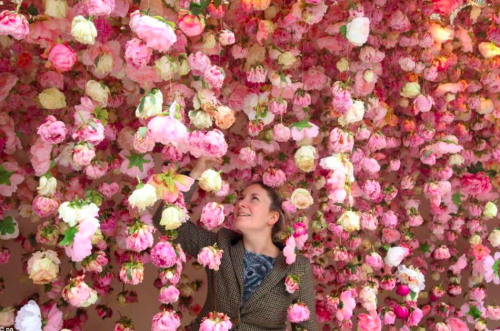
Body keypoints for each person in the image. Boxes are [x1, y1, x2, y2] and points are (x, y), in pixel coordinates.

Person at [152, 157, 317, 331]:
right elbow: (164, 219)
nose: (241, 203)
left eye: (254, 199)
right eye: (240, 198)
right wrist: (194, 174)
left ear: (272, 217)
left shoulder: (297, 267)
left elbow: (306, 327)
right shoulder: (220, 245)